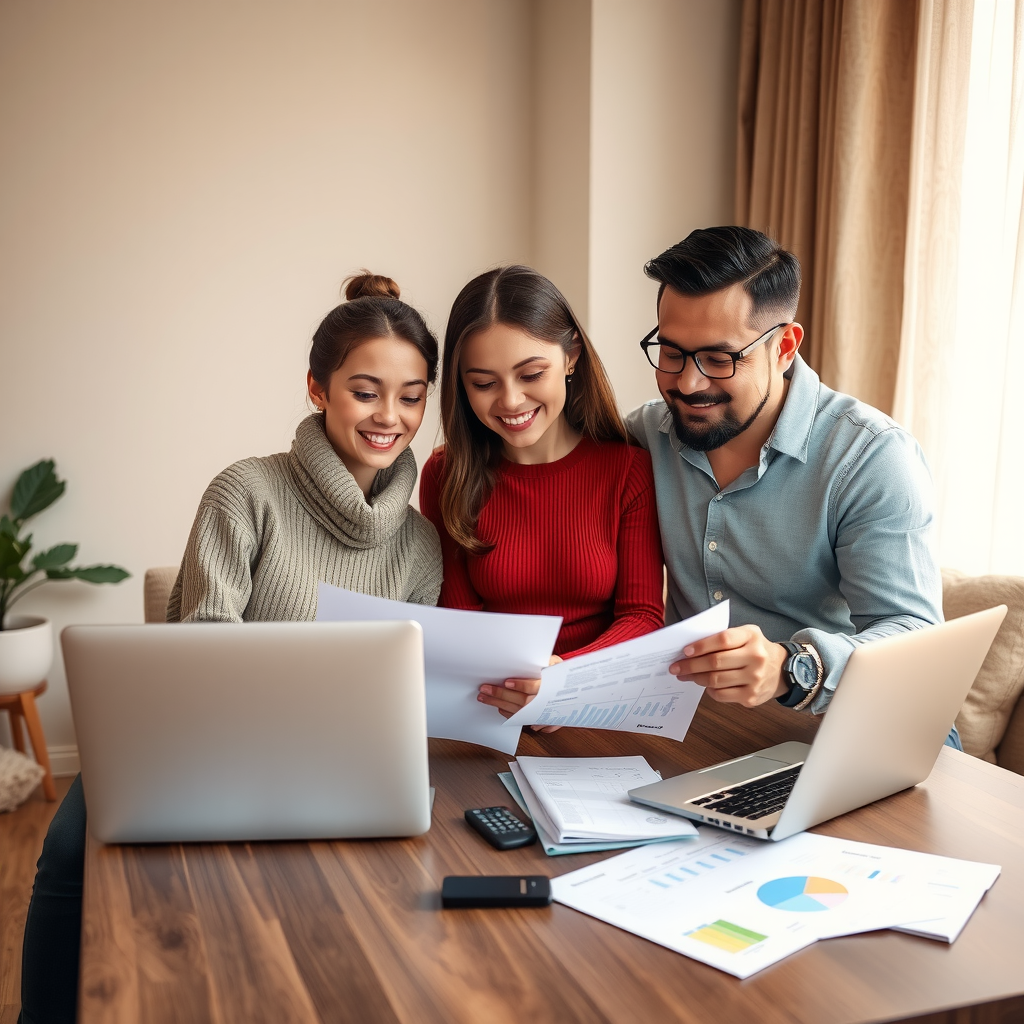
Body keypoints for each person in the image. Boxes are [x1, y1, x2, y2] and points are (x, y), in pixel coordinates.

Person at [19, 272, 442, 1024]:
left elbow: (406, 691)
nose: (391, 416)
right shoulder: (245, 490)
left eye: (411, 395)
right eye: (366, 390)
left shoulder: (419, 545)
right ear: (318, 388)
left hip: (337, 764)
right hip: (191, 746)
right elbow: (206, 645)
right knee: (65, 853)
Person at [626, 226, 958, 745]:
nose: (688, 384)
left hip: (864, 731)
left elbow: (915, 640)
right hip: (714, 731)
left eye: (719, 359)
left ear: (784, 346)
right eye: (671, 353)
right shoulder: (643, 437)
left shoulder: (870, 456)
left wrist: (791, 667)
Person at [419, 265, 664, 725]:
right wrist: (521, 691)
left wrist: (565, 680)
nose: (510, 401)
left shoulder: (628, 470)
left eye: (531, 374)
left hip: (599, 705)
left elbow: (643, 616)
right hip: (489, 711)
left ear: (571, 355)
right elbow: (460, 622)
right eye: (484, 383)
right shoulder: (444, 475)